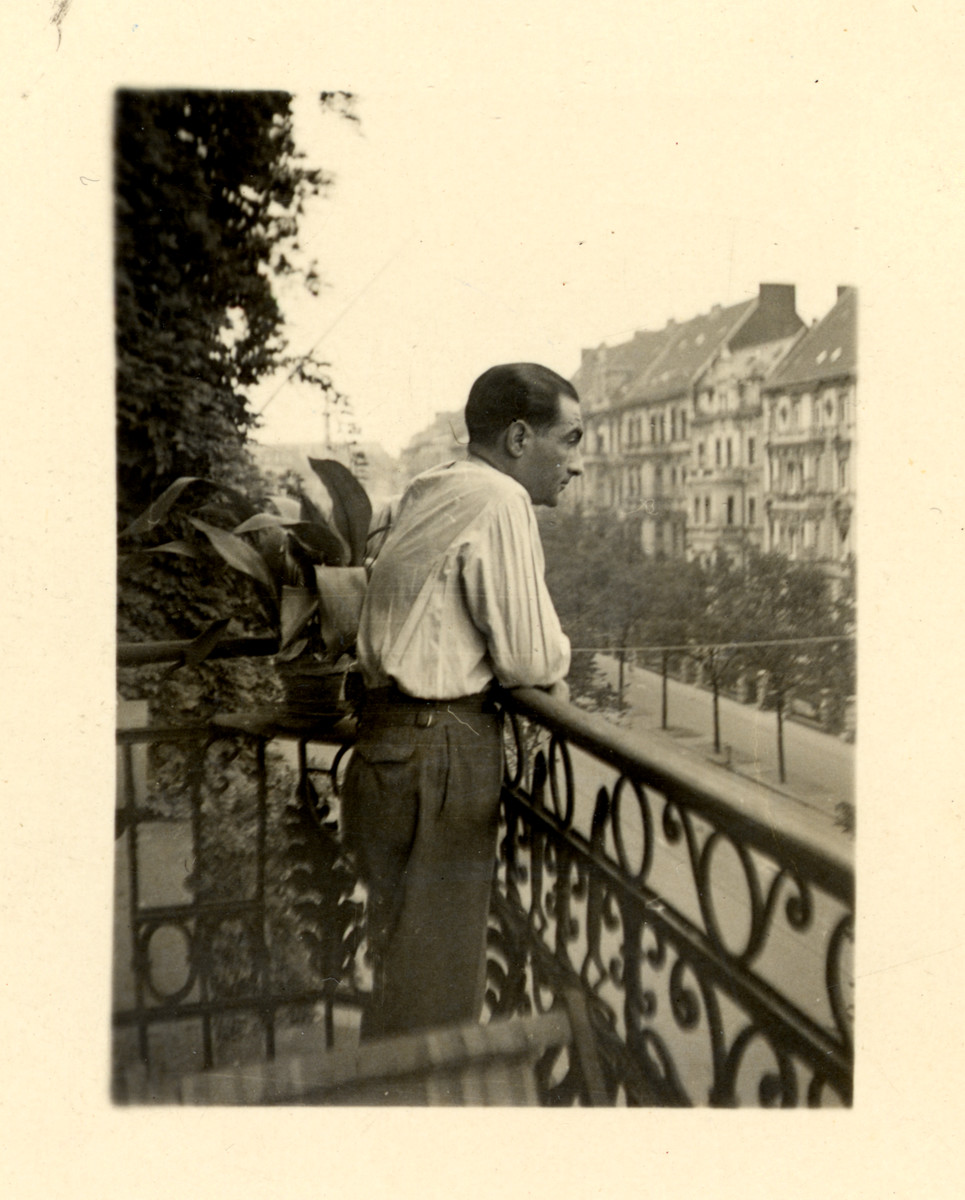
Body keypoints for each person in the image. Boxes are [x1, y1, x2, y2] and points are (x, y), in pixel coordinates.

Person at [341, 362, 583, 1040]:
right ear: (516, 438)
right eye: (569, 441)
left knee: (398, 974)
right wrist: (552, 678)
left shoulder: (429, 486)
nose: (578, 465)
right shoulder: (496, 499)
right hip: (439, 754)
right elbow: (530, 658)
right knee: (440, 999)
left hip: (386, 747)